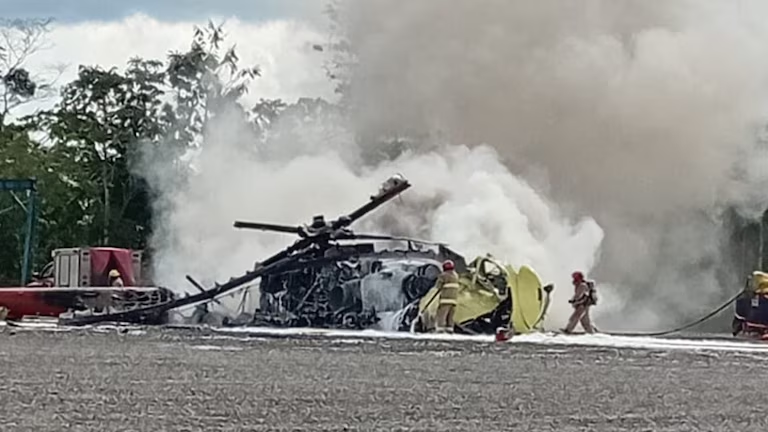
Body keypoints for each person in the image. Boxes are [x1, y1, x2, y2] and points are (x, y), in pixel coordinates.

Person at [435, 260, 461, 333]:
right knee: (450, 316)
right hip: (454, 300)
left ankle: (440, 330)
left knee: (442, 315)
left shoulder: (443, 275)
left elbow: (438, 286)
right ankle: (450, 330)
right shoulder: (456, 275)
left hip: (445, 299)